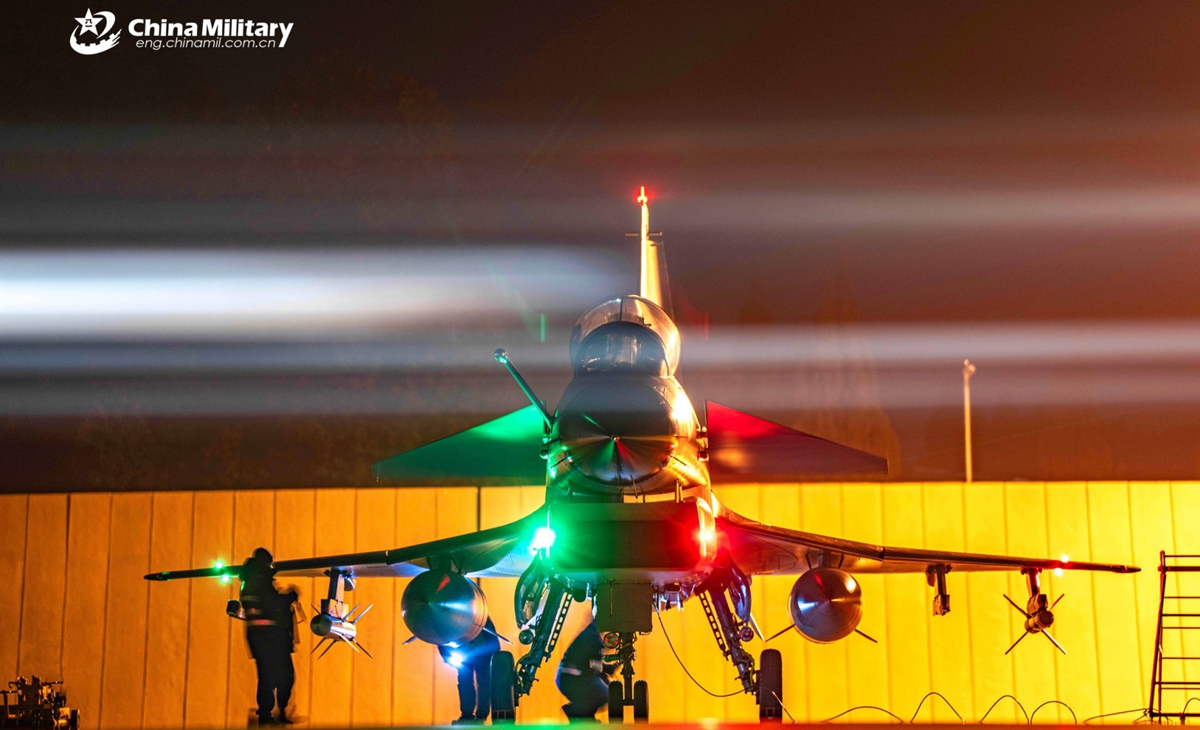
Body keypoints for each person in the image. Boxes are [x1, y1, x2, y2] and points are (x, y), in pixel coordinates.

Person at [240, 547, 298, 726]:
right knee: (284, 676)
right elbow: (272, 602)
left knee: (267, 677)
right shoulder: (260, 582)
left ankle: (271, 713)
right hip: (272, 639)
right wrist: (290, 596)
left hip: (258, 639)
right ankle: (274, 713)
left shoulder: (248, 582)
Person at [438, 617, 501, 723]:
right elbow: (442, 641)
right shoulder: (479, 618)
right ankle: (469, 714)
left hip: (482, 653)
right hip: (465, 655)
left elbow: (441, 640)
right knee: (466, 682)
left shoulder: (481, 619)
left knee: (481, 683)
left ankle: (479, 714)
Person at [556, 618, 614, 720]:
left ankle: (583, 716)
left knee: (596, 697)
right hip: (574, 680)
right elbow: (592, 663)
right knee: (607, 695)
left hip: (567, 679)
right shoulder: (592, 637)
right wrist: (607, 668)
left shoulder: (588, 634)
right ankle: (575, 711)